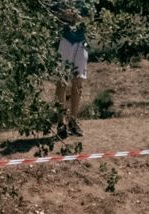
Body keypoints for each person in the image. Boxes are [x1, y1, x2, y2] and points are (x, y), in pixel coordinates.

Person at [56, 4, 91, 135]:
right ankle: (61, 122)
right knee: (62, 82)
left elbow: (91, 17)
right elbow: (51, 13)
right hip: (64, 39)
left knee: (78, 82)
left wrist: (79, 18)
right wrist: (64, 15)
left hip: (81, 41)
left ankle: (73, 121)